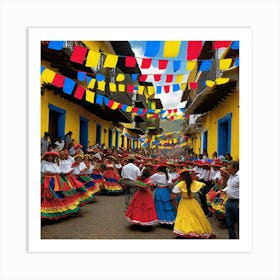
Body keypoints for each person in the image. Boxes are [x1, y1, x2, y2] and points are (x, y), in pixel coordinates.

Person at [171, 168, 216, 238]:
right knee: (196, 216)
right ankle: (195, 230)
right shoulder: (195, 183)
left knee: (184, 216)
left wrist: (174, 201)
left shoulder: (180, 184)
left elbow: (174, 195)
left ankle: (185, 230)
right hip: (193, 202)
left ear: (182, 176)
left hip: (184, 202)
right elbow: (202, 186)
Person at [41, 151, 80, 220]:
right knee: (51, 195)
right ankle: (51, 213)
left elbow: (59, 171)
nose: (50, 158)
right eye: (48, 156)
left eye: (51, 156)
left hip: (57, 180)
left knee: (62, 194)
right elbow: (42, 173)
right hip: (49, 181)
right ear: (46, 157)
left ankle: (62, 211)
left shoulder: (54, 164)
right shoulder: (43, 164)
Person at [222, 160, 239, 239]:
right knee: (229, 223)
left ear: (236, 168)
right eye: (228, 169)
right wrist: (222, 191)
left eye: (230, 169)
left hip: (237, 202)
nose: (228, 171)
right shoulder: (231, 176)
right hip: (229, 201)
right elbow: (229, 186)